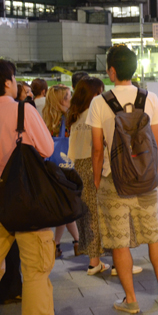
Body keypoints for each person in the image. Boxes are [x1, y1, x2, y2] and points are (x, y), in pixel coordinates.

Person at [87, 45, 158, 312]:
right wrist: (154, 175)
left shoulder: (99, 102)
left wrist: (98, 181)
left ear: (112, 71)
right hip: (147, 180)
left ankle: (131, 301)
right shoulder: (150, 98)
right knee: (155, 237)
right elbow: (156, 141)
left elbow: (97, 149)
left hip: (114, 181)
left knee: (119, 242)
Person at [0, 60, 55, 314]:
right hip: (24, 197)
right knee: (35, 271)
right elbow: (47, 149)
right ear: (8, 82)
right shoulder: (23, 111)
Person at [68, 77, 112, 275]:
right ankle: (96, 262)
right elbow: (98, 148)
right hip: (92, 166)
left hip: (77, 167)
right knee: (96, 214)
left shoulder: (75, 116)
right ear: (94, 95)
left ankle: (94, 259)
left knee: (86, 214)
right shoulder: (94, 115)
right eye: (100, 92)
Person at [42, 84, 81, 259]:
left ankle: (58, 244)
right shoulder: (69, 119)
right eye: (67, 96)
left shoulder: (45, 118)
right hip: (67, 167)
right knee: (66, 206)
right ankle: (77, 241)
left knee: (63, 206)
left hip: (50, 168)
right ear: (60, 100)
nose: (70, 99)